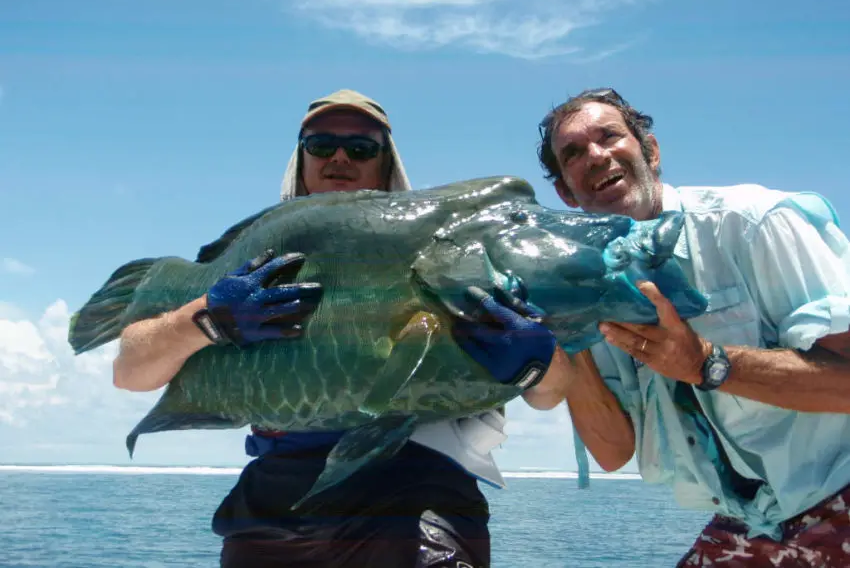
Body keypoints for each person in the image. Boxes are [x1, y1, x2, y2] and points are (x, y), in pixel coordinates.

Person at [112, 88, 567, 568]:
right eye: (321, 145)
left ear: (387, 164)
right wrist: (209, 318)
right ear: (301, 159)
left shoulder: (463, 243)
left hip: (420, 485)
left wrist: (537, 359)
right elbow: (130, 372)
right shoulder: (253, 258)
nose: (340, 159)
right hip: (277, 491)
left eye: (362, 148)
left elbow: (552, 392)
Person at [534, 86, 850, 566]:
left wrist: (708, 363)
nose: (595, 156)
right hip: (753, 518)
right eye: (573, 153)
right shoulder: (589, 291)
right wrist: (566, 336)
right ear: (565, 192)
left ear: (651, 152)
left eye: (609, 137)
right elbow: (614, 451)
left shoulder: (754, 223)